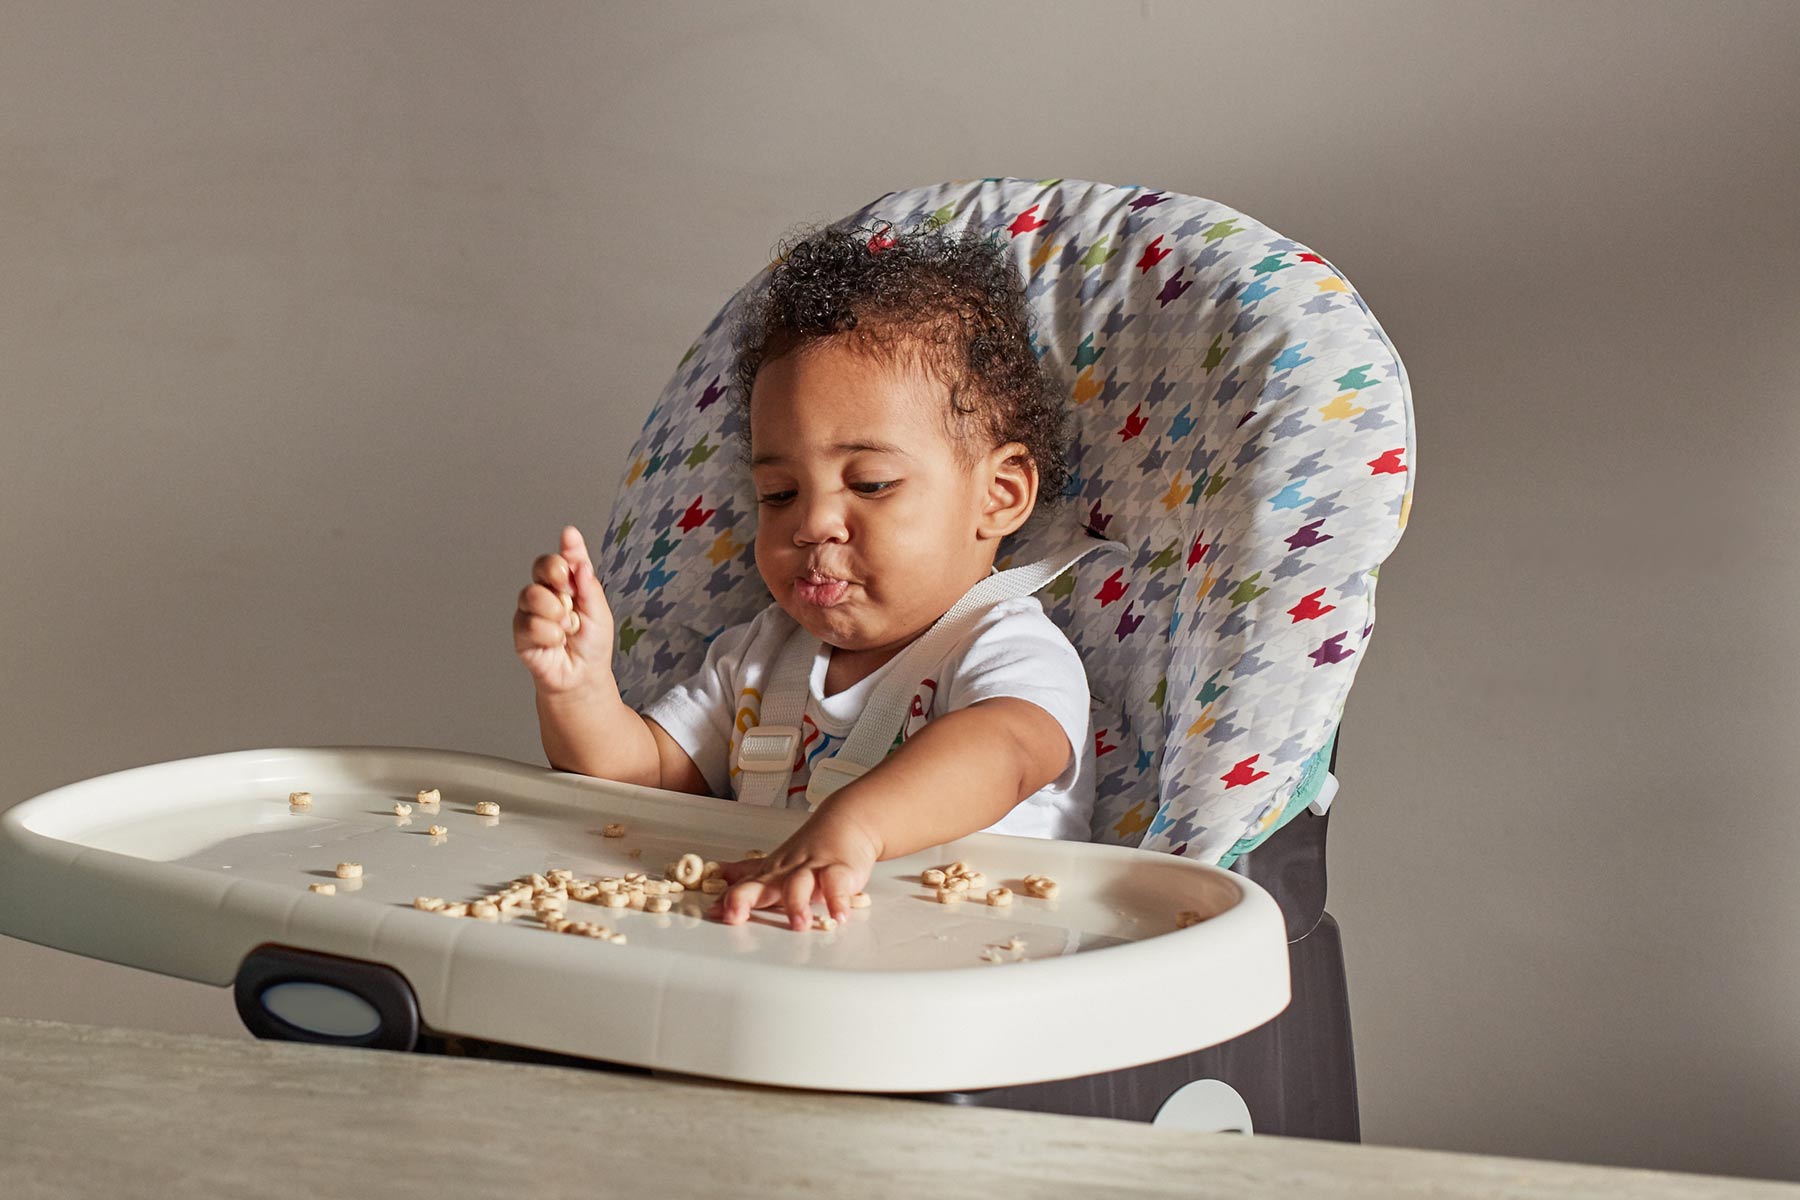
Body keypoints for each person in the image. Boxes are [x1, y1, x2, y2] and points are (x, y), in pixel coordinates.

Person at [513, 220, 1093, 931]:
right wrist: (578, 689)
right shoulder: (759, 660)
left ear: (998, 495)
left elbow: (1003, 753)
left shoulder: (1005, 650)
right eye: (779, 494)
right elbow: (643, 783)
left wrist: (857, 828)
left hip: (964, 986)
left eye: (871, 483)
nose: (811, 523)